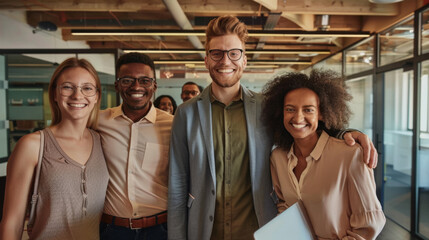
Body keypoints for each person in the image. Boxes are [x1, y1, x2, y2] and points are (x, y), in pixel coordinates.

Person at [167, 15, 378, 240]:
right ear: (207, 60)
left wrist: (343, 133)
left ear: (244, 60)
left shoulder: (266, 107)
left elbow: (302, 129)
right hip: (204, 230)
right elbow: (178, 183)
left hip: (260, 228)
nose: (225, 61)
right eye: (216, 53)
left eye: (234, 53)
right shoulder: (186, 113)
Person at [264, 70, 385, 239]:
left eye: (308, 110)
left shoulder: (350, 155)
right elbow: (285, 206)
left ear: (321, 113)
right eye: (290, 109)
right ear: (281, 113)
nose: (298, 117)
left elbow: (368, 225)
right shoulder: (278, 158)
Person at [0, 58, 109, 240]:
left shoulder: (101, 141)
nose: (77, 95)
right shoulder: (32, 145)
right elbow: (12, 221)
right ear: (55, 94)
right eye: (67, 87)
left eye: (87, 88)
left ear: (97, 96)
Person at [97, 52, 173, 240]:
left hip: (161, 229)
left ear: (154, 85)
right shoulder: (98, 121)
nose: (136, 86)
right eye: (127, 80)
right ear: (117, 85)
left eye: (144, 80)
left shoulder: (173, 125)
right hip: (112, 230)